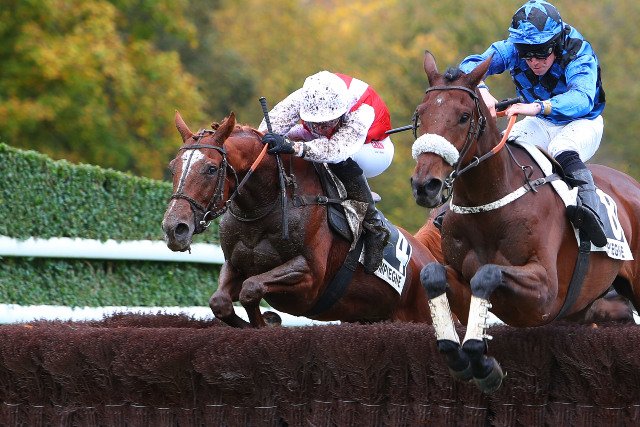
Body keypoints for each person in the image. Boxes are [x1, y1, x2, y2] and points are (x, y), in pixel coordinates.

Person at [459, 0, 607, 247]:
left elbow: (582, 99)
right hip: (542, 121)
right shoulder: (513, 48)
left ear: (555, 43)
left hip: (583, 121)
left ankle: (590, 212)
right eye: (526, 54)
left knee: (561, 147)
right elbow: (469, 65)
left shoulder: (577, 51)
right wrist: (482, 90)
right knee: (503, 148)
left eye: (540, 53)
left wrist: (536, 107)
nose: (534, 61)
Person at [259, 71, 395, 273]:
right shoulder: (302, 98)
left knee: (337, 157)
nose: (320, 128)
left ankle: (375, 228)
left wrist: (293, 147)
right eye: (314, 122)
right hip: (333, 140)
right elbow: (264, 131)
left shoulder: (361, 111)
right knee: (280, 140)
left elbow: (335, 150)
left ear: (341, 113)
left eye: (326, 122)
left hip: (373, 149)